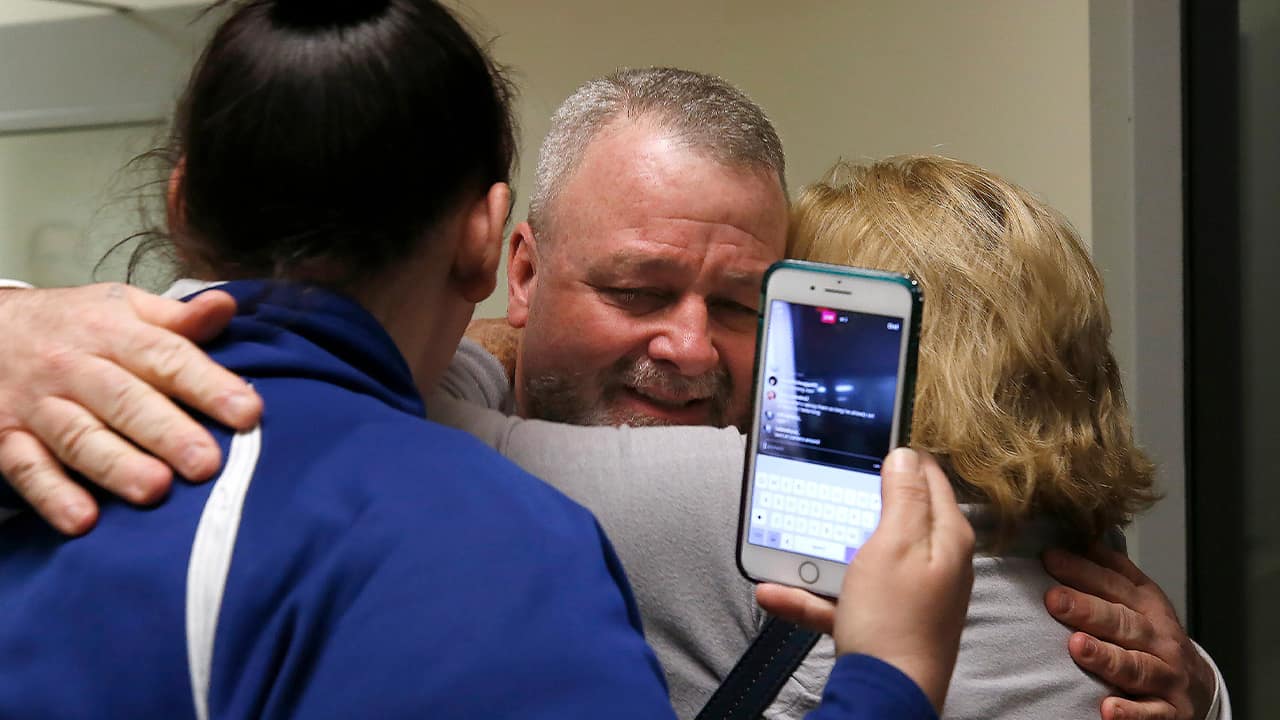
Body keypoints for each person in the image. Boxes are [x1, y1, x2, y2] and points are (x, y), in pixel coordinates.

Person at [0, 68, 1224, 718]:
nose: (688, 350)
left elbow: (356, 372)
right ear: (511, 261)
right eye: (636, 290)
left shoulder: (726, 505)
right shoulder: (1066, 579)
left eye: (745, 309)